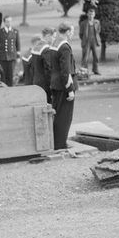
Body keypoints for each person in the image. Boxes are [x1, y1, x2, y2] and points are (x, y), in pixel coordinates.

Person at [50, 22, 76, 150]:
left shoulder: (54, 43)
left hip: (55, 83)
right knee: (64, 117)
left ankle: (56, 142)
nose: (72, 33)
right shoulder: (64, 46)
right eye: (72, 31)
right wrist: (70, 89)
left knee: (57, 114)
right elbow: (66, 71)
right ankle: (60, 144)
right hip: (63, 85)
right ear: (67, 32)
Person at [31, 27, 56, 104]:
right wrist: (52, 85)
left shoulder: (36, 47)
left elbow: (32, 67)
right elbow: (48, 69)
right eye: (53, 37)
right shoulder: (46, 49)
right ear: (48, 36)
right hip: (45, 84)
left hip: (36, 82)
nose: (54, 39)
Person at [0, 16, 21, 87]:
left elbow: (17, 44)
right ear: (4, 22)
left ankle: (11, 89)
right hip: (3, 56)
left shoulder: (15, 31)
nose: (9, 23)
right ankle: (3, 88)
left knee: (11, 74)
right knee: (3, 74)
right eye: (7, 21)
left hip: (12, 56)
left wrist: (18, 56)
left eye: (10, 21)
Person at [79, 7, 101, 76]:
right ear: (87, 14)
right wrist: (84, 39)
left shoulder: (97, 22)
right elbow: (81, 34)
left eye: (92, 14)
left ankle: (95, 70)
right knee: (85, 57)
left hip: (94, 41)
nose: (91, 16)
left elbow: (98, 31)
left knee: (96, 56)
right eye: (89, 14)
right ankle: (84, 71)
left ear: (94, 15)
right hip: (86, 41)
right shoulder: (83, 23)